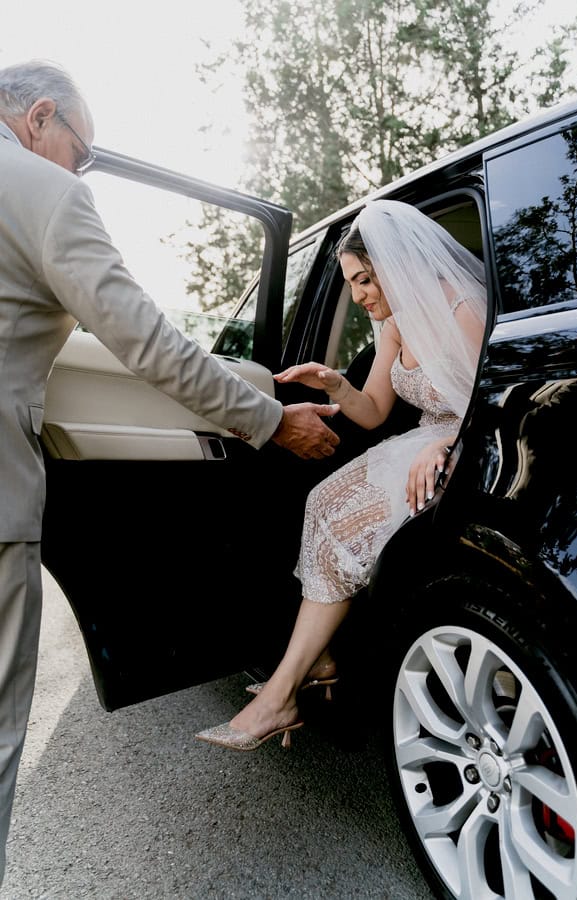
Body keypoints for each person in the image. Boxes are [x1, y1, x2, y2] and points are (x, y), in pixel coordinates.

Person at [0, 59, 340, 884]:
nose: (81, 168)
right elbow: (147, 343)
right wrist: (267, 418)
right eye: (82, 151)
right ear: (41, 117)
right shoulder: (44, 196)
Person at [195, 199, 488, 751]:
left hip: (468, 443)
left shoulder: (462, 309)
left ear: (396, 264)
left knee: (344, 519)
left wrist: (450, 440)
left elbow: (493, 400)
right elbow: (374, 410)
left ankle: (280, 694)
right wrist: (334, 384)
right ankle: (319, 658)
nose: (358, 296)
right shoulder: (396, 327)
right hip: (427, 440)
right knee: (322, 501)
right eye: (353, 283)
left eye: (363, 279)